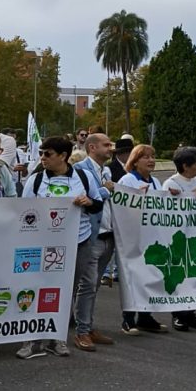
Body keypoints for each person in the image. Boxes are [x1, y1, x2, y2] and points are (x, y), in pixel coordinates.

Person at [16, 136, 103, 360]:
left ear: (63, 156)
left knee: (66, 291)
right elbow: (24, 212)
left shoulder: (83, 177)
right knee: (38, 288)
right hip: (43, 244)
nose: (42, 158)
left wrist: (88, 203)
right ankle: (32, 339)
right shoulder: (35, 180)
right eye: (41, 154)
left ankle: (57, 338)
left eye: (48, 154)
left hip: (78, 242)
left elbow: (98, 204)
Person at [116, 144, 171, 335]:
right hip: (133, 238)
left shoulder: (155, 182)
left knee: (150, 278)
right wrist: (138, 197)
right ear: (135, 160)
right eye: (146, 157)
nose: (151, 160)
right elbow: (121, 208)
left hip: (151, 239)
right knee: (132, 278)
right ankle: (128, 319)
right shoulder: (128, 180)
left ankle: (146, 316)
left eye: (153, 156)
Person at [71, 133, 118, 351]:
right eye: (106, 145)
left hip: (107, 234)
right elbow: (85, 198)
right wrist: (106, 189)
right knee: (87, 284)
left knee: (94, 284)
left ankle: (88, 326)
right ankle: (81, 331)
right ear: (92, 147)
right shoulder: (80, 169)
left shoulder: (104, 170)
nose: (111, 148)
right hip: (91, 235)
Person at [160, 147, 196, 331]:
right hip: (178, 237)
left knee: (194, 276)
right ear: (185, 166)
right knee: (179, 275)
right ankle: (178, 314)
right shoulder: (171, 184)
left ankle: (191, 311)